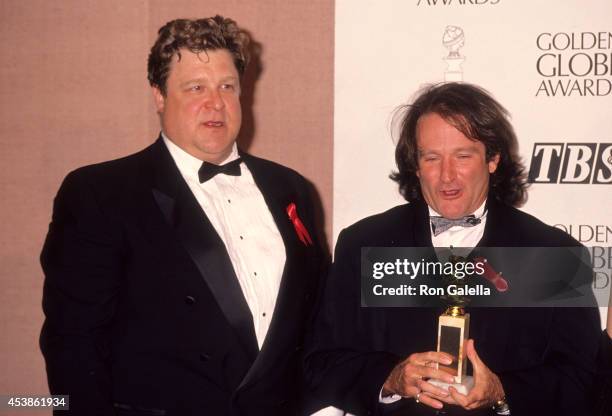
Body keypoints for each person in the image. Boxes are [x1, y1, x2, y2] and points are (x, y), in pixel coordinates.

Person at [40, 16, 324, 416]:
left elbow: (314, 326)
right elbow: (73, 347)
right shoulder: (100, 193)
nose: (215, 102)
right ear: (158, 95)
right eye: (195, 87)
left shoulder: (291, 189)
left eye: (227, 86)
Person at [305, 82, 601, 416]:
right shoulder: (363, 244)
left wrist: (503, 391)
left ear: (493, 159)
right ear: (415, 166)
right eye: (432, 158)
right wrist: (390, 377)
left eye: (462, 156)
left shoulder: (553, 254)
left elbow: (583, 379)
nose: (447, 176)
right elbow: (321, 363)